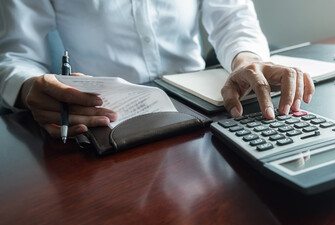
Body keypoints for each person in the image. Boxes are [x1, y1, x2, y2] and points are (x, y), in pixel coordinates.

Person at [0, 0, 314, 139]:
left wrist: (247, 60)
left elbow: (232, 17)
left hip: (203, 114)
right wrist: (29, 87)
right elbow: (17, 53)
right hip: (103, 120)